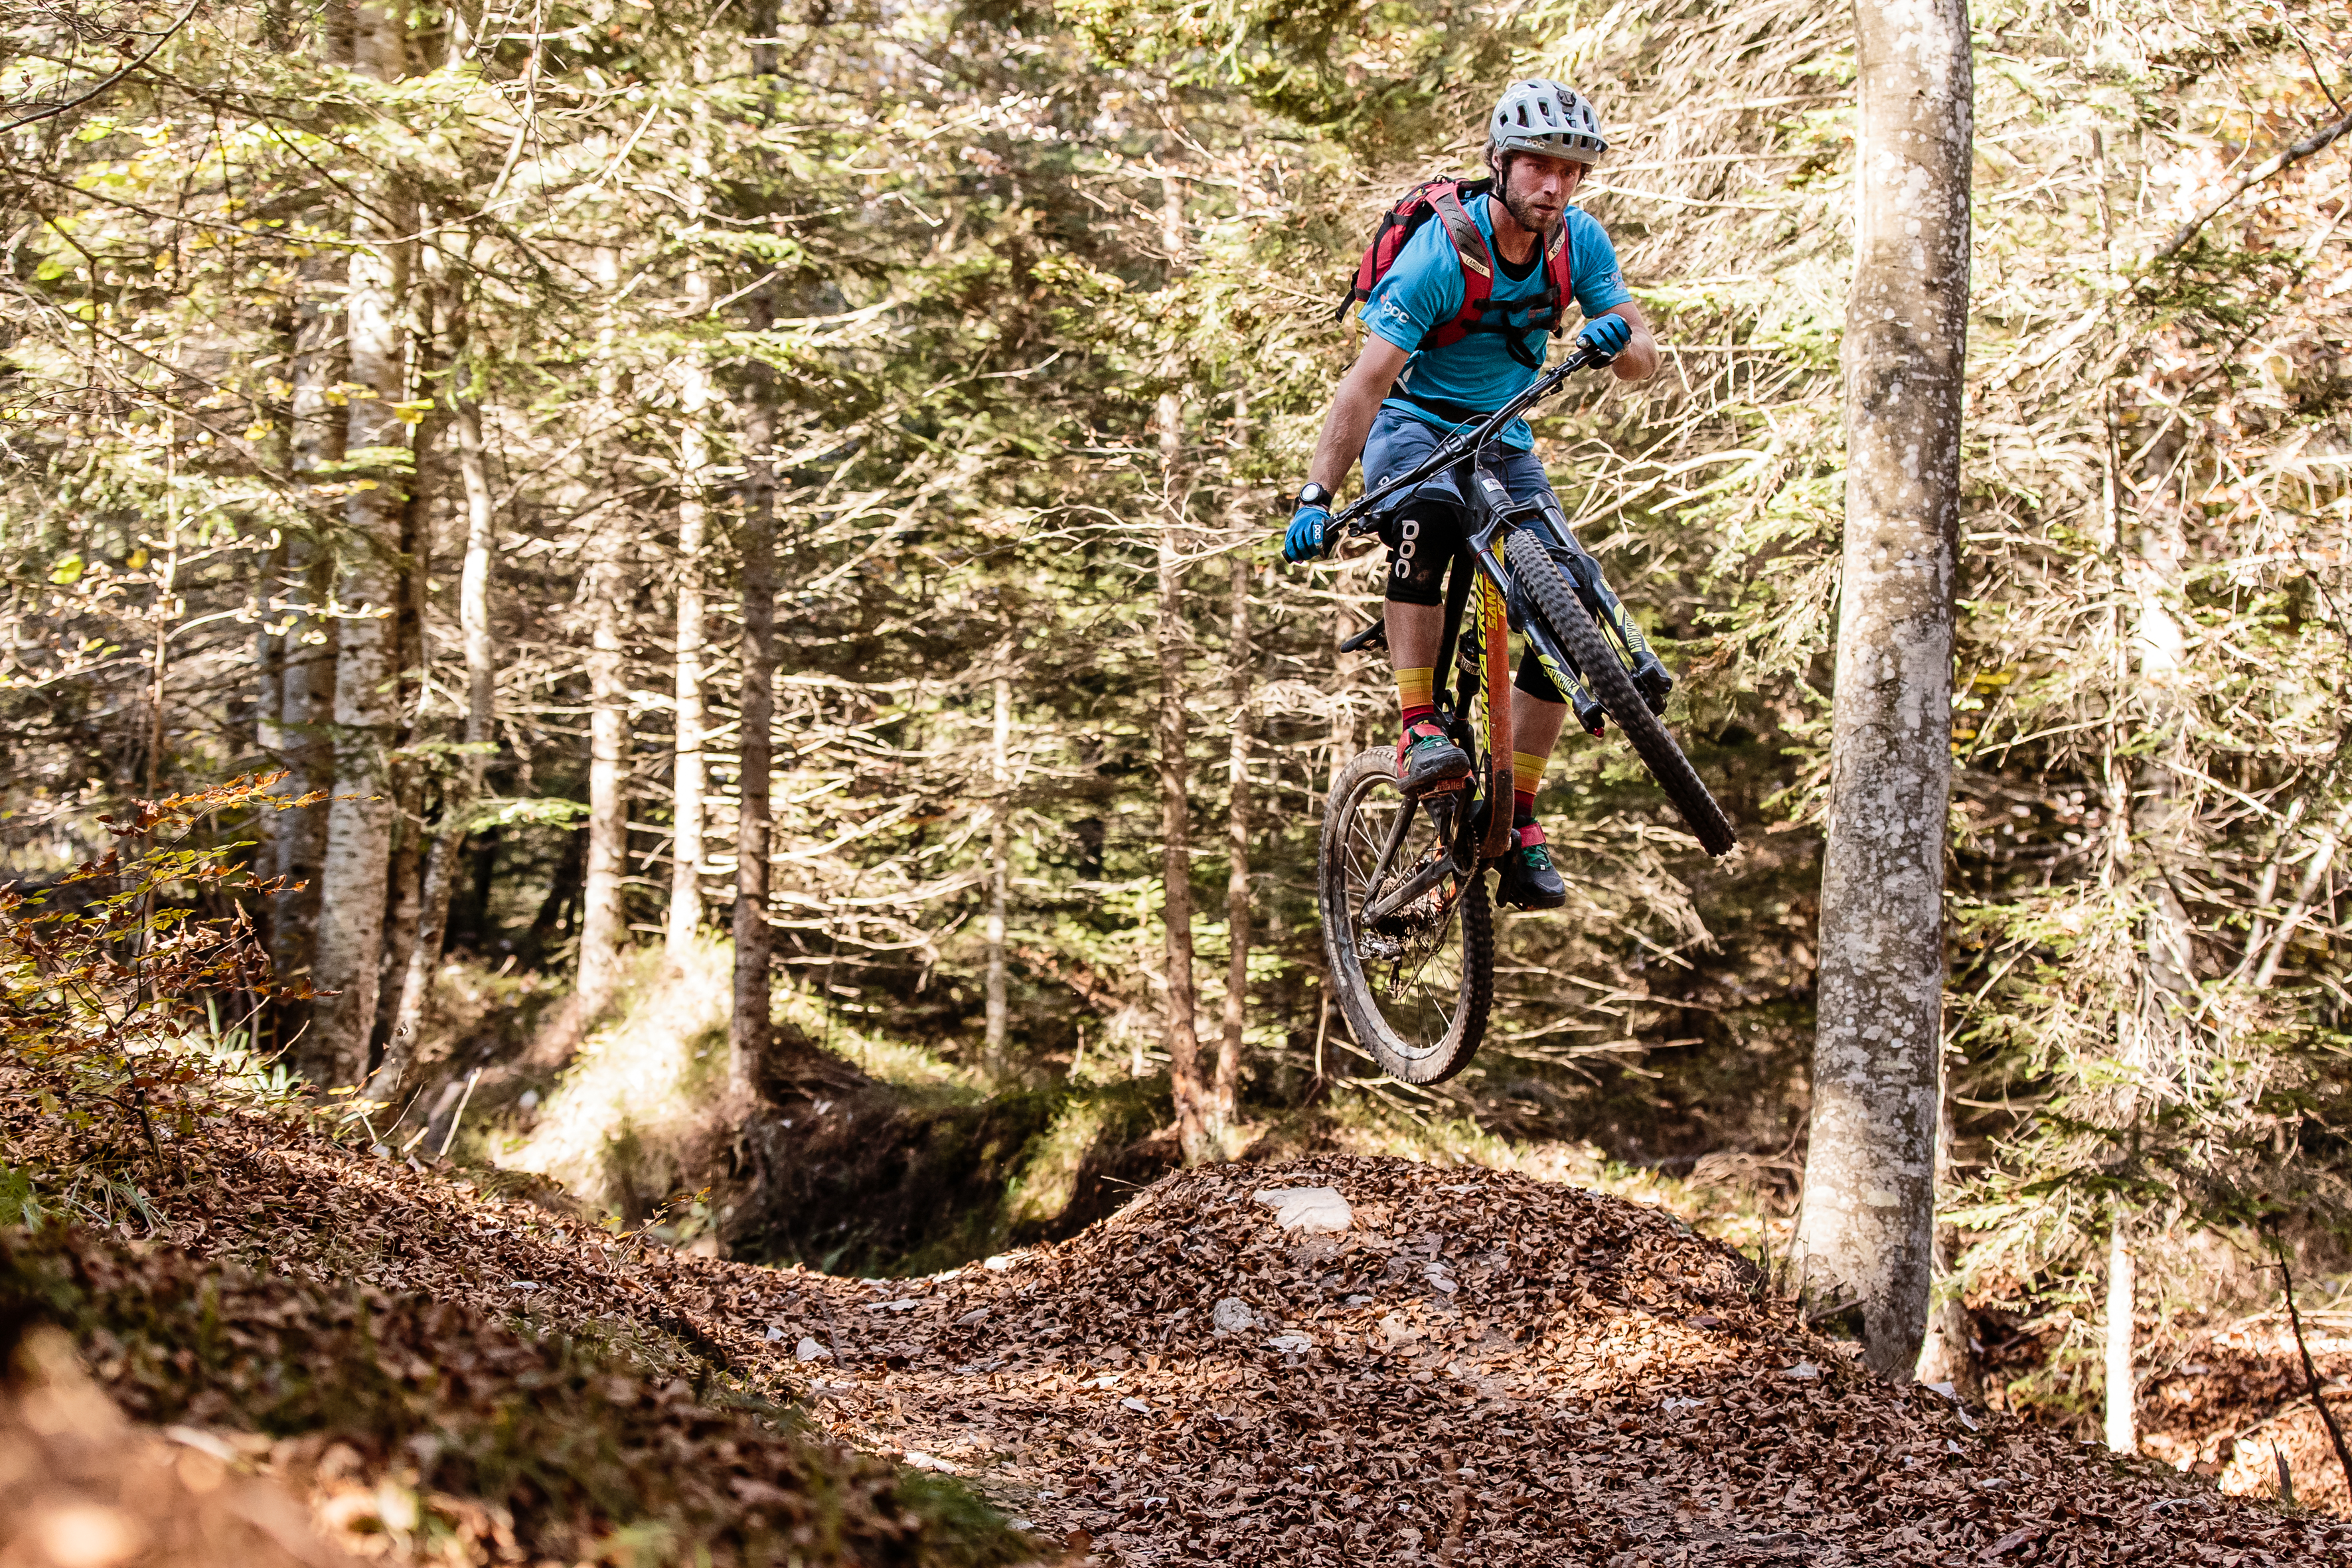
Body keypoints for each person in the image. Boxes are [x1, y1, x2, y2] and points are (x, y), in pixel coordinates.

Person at [1283, 79, 1658, 911]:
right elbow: (1365, 386)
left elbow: (1646, 359)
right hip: (1415, 424)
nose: (1552, 185)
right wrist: (1317, 494)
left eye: (1569, 171)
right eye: (1537, 166)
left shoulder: (1579, 244)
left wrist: (1619, 337)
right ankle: (1420, 723)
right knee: (1430, 517)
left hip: (1505, 437)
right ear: (1501, 164)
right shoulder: (1440, 253)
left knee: (1567, 603)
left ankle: (1519, 816)